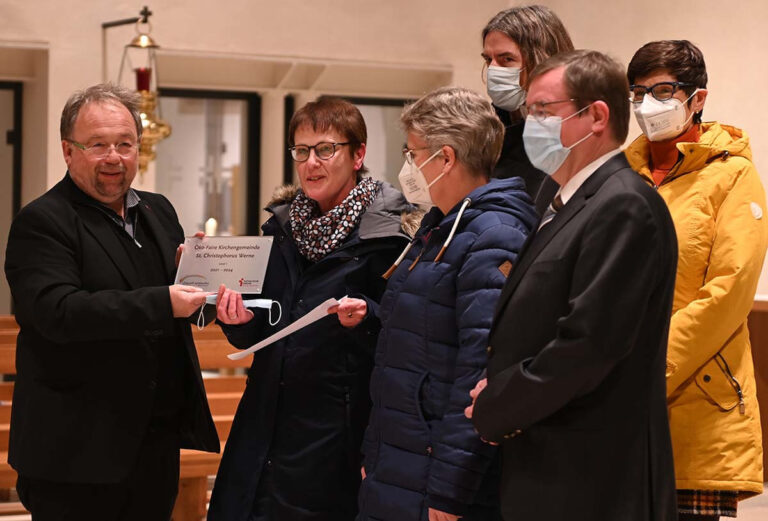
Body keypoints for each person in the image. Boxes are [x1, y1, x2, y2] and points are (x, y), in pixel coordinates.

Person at [467, 50, 679, 521]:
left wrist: (501, 403)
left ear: (596, 116)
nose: (531, 124)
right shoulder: (564, 197)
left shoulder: (624, 205)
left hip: (593, 474)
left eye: (543, 110)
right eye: (530, 112)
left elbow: (588, 345)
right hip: (548, 460)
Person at [3, 83, 219, 521]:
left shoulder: (159, 211)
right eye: (98, 145)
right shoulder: (42, 221)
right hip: (75, 453)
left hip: (152, 445)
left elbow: (178, 305)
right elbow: (58, 313)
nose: (114, 158)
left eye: (125, 144)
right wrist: (166, 300)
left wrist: (204, 283)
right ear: (68, 151)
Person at [207, 96, 416, 521]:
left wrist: (367, 319)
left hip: (336, 435)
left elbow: (407, 335)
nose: (311, 163)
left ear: (358, 155)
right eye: (301, 151)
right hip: (264, 421)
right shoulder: (282, 227)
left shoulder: (391, 236)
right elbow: (266, 323)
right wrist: (240, 321)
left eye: (325, 149)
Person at [354, 86, 538, 521]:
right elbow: (421, 341)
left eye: (413, 152)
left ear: (447, 157)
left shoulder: (495, 234)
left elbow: (479, 367)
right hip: (402, 460)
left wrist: (450, 491)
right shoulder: (441, 225)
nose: (409, 166)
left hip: (438, 476)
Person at [624, 40, 767, 520]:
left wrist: (647, 367)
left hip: (692, 397)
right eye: (638, 92)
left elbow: (729, 291)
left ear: (698, 98)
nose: (649, 104)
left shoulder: (732, 175)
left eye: (663, 90)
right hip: (612, 398)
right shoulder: (622, 175)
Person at [482, 5, 574, 215]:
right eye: (488, 60)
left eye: (507, 59)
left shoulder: (571, 135)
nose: (493, 71)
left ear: (544, 59)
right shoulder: (487, 131)